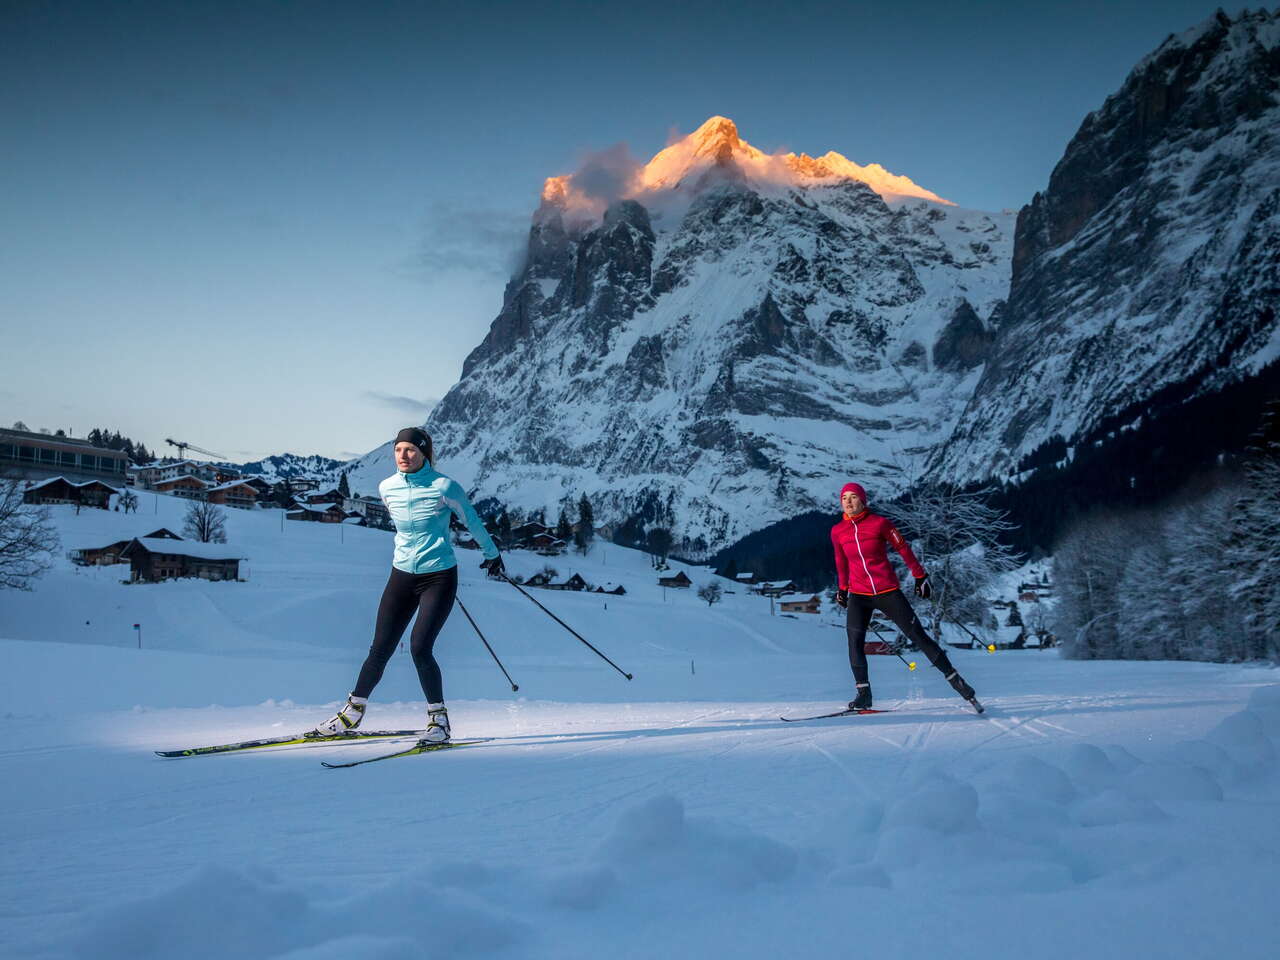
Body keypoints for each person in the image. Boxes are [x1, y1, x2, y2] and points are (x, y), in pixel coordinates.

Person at [313, 427, 503, 743]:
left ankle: (439, 722)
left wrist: (492, 554)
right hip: (401, 576)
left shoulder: (444, 486)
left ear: (424, 453)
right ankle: (352, 712)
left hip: (439, 576)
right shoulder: (387, 487)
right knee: (380, 648)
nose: (403, 455)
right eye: (399, 449)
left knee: (420, 647)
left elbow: (472, 520)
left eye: (411, 450)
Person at [830, 482, 979, 711]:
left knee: (918, 636)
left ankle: (958, 683)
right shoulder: (838, 531)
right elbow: (841, 562)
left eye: (853, 497)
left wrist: (920, 577)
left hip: (887, 590)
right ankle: (863, 694)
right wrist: (842, 588)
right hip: (859, 594)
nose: (848, 502)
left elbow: (903, 549)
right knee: (854, 643)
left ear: (863, 500)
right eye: (844, 498)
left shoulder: (880, 524)